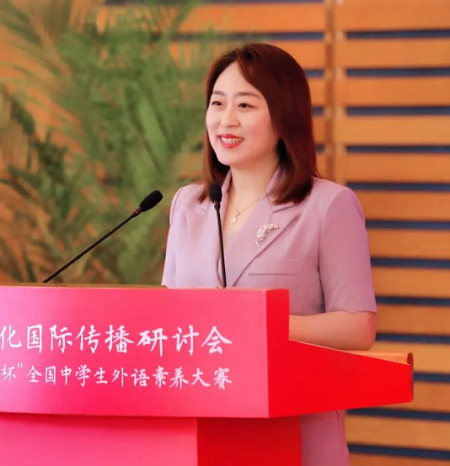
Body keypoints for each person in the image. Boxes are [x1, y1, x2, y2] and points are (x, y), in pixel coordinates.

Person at [161, 43, 377, 465]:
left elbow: (358, 327)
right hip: (200, 431)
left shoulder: (328, 206)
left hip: (294, 431)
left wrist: (253, 324)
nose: (226, 119)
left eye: (245, 105)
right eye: (217, 103)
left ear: (283, 116)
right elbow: (169, 316)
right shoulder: (189, 204)